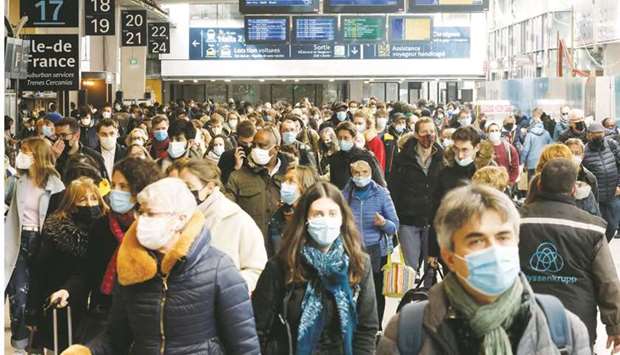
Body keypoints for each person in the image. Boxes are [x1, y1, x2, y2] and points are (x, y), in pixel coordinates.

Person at [378, 184, 591, 355]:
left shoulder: (563, 329)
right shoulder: (409, 332)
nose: (494, 250)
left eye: (503, 237)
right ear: (449, 257)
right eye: (477, 241)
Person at [61, 178, 261, 355]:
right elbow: (115, 337)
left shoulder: (218, 269)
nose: (141, 220)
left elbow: (244, 345)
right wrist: (85, 351)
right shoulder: (132, 269)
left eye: (152, 214)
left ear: (180, 219)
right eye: (141, 212)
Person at [252, 181, 379, 355]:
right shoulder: (281, 266)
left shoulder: (358, 264)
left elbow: (367, 328)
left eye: (332, 213)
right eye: (318, 214)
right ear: (305, 219)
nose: (326, 220)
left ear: (342, 218)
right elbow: (258, 328)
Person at [519, 158, 620, 348]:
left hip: (526, 316)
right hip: (576, 321)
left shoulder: (515, 221)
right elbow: (607, 281)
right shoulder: (592, 227)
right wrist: (615, 326)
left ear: (539, 184)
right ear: (574, 189)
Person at [79, 158, 163, 342]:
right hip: (104, 313)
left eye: (124, 186)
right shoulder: (101, 226)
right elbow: (88, 270)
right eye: (114, 185)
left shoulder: (154, 229)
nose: (116, 192)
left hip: (144, 318)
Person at [28, 177, 108, 353]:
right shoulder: (57, 231)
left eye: (94, 198)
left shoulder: (105, 230)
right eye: (82, 199)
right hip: (62, 306)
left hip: (96, 309)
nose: (90, 204)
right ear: (71, 204)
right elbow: (40, 272)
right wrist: (33, 313)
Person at [5, 137, 65, 354]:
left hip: (43, 243)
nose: (21, 155)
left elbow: (59, 216)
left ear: (37, 155)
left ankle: (37, 344)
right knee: (18, 296)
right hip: (18, 241)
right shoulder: (15, 181)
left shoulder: (55, 185)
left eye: (26, 151)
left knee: (37, 296)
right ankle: (19, 345)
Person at [178, 159, 267, 291]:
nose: (183, 193)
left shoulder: (236, 219)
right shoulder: (176, 216)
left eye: (189, 187)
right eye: (180, 187)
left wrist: (226, 287)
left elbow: (257, 269)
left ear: (209, 187)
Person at [343, 160, 398, 326]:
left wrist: (383, 224)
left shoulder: (381, 194)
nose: (360, 177)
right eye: (357, 173)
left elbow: (394, 225)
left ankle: (376, 327)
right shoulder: (345, 195)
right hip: (352, 249)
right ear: (351, 175)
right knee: (352, 288)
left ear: (371, 173)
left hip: (376, 250)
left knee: (374, 291)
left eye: (364, 172)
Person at [388, 118, 444, 283]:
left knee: (431, 267)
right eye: (424, 132)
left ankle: (428, 300)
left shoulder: (442, 157)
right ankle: (411, 299)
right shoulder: (403, 159)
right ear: (416, 134)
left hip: (433, 219)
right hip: (408, 219)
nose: (429, 135)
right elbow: (394, 188)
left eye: (432, 131)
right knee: (411, 267)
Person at [226, 127, 290, 240]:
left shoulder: (291, 175)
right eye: (254, 145)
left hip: (284, 245)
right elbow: (227, 211)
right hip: (251, 244)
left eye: (262, 145)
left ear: (276, 149)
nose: (256, 149)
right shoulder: (238, 177)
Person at [268, 165, 320, 257]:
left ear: (305, 186)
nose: (284, 185)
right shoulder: (278, 217)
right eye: (284, 180)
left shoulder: (316, 218)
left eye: (291, 181)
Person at [582, 122, 620, 240]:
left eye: (601, 133)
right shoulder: (584, 151)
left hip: (613, 193)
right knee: (597, 227)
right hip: (596, 197)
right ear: (589, 135)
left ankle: (601, 248)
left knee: (612, 226)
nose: (599, 136)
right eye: (595, 134)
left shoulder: (612, 145)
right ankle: (598, 251)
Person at [328, 121, 386, 190]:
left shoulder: (366, 157)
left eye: (346, 138)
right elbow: (333, 185)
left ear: (353, 138)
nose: (342, 141)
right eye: (340, 138)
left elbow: (380, 184)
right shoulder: (335, 158)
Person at [219, 120, 256, 184]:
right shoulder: (227, 156)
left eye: (251, 143)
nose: (248, 146)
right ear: (237, 138)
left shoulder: (259, 155)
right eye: (244, 143)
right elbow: (222, 182)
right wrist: (236, 167)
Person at [520, 108, 553, 179]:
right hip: (544, 162)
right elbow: (551, 147)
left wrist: (522, 162)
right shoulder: (546, 133)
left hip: (531, 164)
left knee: (532, 184)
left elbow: (525, 150)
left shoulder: (529, 134)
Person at [486, 122, 520, 186]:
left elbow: (515, 168)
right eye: (492, 131)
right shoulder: (483, 148)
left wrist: (509, 182)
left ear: (500, 132)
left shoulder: (509, 148)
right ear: (487, 133)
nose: (494, 132)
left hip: (504, 184)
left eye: (496, 130)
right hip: (488, 185)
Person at [382, 113, 407, 179]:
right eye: (398, 122)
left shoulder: (407, 136)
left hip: (404, 170)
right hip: (390, 170)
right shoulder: (386, 136)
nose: (401, 124)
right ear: (393, 123)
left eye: (403, 122)